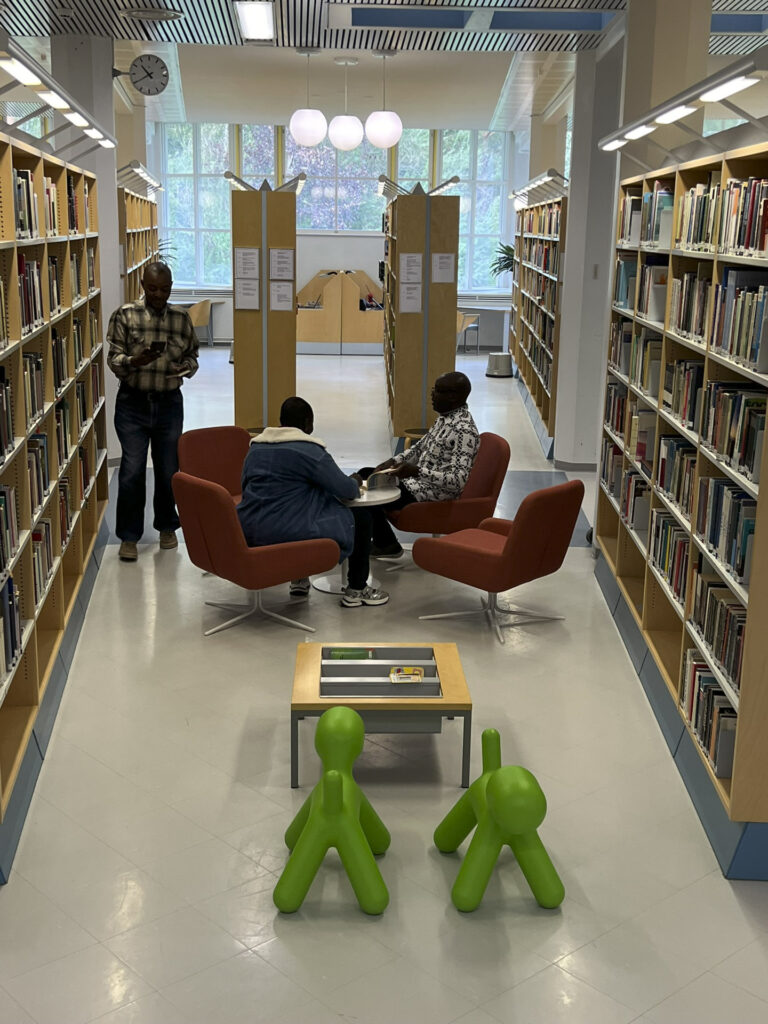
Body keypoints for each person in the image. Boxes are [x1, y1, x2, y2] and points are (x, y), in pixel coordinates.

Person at [237, 397, 389, 608]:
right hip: (288, 530)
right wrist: (354, 481)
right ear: (308, 422)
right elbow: (346, 490)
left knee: (300, 499)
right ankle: (357, 589)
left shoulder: (255, 449)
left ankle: (299, 578)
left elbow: (245, 487)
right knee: (361, 517)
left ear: (281, 421)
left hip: (249, 528)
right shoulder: (310, 452)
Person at [106, 262, 199, 562]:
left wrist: (185, 368)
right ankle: (129, 536)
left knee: (168, 469)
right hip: (133, 404)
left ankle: (167, 527)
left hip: (169, 404)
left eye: (165, 288)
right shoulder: (126, 315)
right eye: (153, 288)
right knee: (132, 471)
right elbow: (113, 358)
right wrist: (135, 360)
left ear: (171, 286)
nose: (159, 294)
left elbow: (193, 356)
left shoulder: (181, 317)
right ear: (143, 286)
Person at [365, 371, 480, 559]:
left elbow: (458, 481)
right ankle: (384, 541)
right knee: (367, 474)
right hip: (416, 484)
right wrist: (395, 461)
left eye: (437, 391)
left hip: (431, 493)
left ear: (453, 396)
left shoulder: (463, 430)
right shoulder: (445, 418)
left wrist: (417, 472)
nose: (432, 395)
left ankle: (386, 543)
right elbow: (418, 449)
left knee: (371, 493)